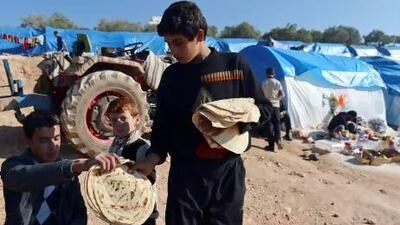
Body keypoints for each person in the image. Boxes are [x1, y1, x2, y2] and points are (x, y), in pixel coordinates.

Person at [133, 1, 271, 225]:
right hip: (185, 176)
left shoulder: (235, 66)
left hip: (227, 175)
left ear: (199, 34)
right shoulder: (172, 76)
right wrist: (151, 159)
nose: (173, 51)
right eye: (168, 44)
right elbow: (163, 127)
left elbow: (264, 110)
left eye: (178, 43)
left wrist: (234, 122)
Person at [1, 111, 121, 225]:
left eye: (56, 138)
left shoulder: (68, 172)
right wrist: (77, 165)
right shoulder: (13, 167)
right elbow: (27, 176)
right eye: (44, 140)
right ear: (28, 141)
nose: (53, 146)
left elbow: (78, 212)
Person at [105, 97, 159, 225]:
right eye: (114, 120)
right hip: (121, 208)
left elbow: (149, 179)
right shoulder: (115, 145)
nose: (118, 123)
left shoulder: (142, 147)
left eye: (123, 118)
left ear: (136, 120)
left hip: (141, 211)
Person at [261, 67, 284, 151]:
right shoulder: (278, 83)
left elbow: (262, 95)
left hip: (267, 106)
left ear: (266, 74)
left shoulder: (264, 83)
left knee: (268, 124)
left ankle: (271, 145)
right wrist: (277, 99)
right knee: (277, 123)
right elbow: (282, 94)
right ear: (274, 74)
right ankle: (278, 139)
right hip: (276, 106)